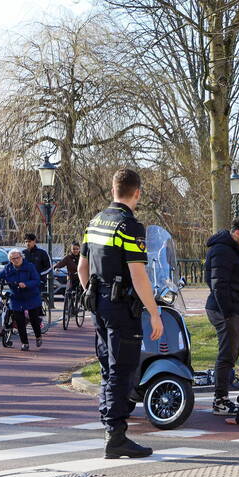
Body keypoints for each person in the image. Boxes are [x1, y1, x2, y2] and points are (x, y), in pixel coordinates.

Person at [77, 168, 164, 459]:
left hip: (99, 306)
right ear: (136, 192)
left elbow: (81, 268)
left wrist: (93, 293)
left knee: (107, 367)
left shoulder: (94, 222)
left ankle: (110, 428)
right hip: (121, 308)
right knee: (122, 371)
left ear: (113, 189)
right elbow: (138, 275)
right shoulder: (130, 226)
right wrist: (154, 313)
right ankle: (116, 436)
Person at [205, 216, 239, 416]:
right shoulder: (223, 250)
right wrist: (228, 312)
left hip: (232, 309)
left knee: (231, 354)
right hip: (224, 310)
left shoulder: (233, 250)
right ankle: (220, 400)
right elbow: (218, 284)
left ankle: (223, 397)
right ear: (236, 233)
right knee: (227, 354)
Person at [0, 249, 44, 349]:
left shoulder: (29, 266)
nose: (16, 260)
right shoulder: (8, 268)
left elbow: (36, 280)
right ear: (10, 260)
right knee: (19, 320)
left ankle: (38, 336)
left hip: (31, 296)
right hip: (16, 297)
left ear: (21, 257)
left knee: (34, 319)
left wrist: (26, 284)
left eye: (17, 257)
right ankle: (25, 343)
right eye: (13, 258)